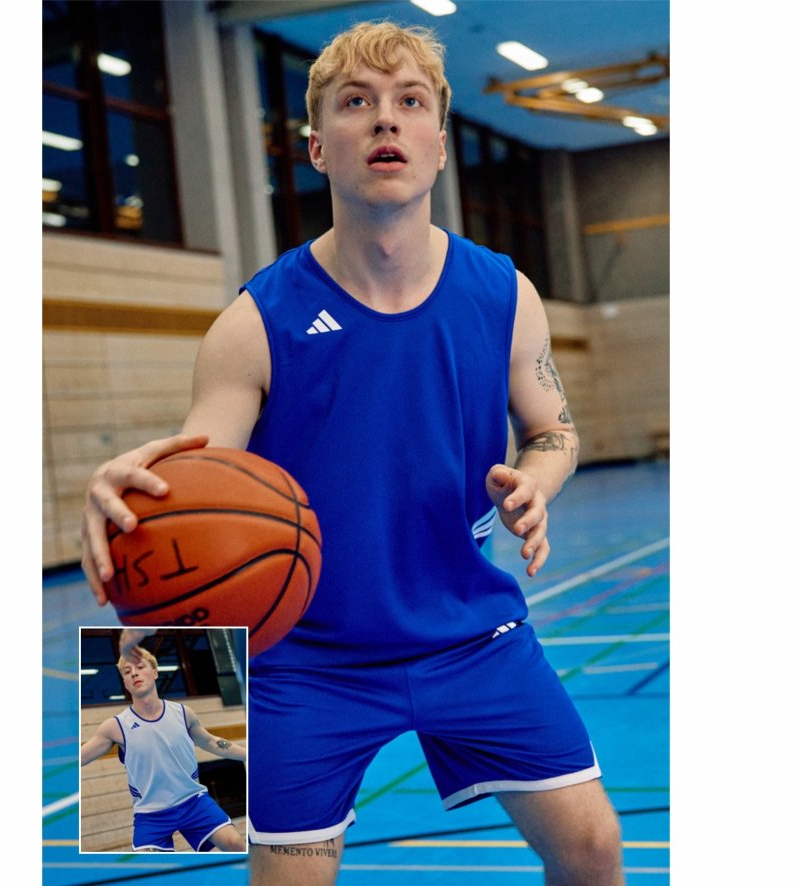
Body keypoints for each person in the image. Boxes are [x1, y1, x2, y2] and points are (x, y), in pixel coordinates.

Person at [81, 21, 624, 885]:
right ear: (315, 148)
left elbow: (552, 430)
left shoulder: (505, 295)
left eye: (411, 102)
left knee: (593, 847)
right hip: (307, 660)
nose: (385, 119)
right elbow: (194, 469)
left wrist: (537, 479)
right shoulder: (255, 323)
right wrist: (132, 494)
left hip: (471, 635)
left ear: (438, 144)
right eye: (356, 103)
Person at [80, 637, 247, 853]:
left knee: (235, 844)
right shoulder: (115, 727)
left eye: (140, 667)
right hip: (150, 814)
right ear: (125, 682)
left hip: (194, 802)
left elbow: (211, 742)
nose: (134, 673)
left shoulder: (183, 713)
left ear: (155, 673)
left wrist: (249, 755)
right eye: (127, 672)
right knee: (149, 866)